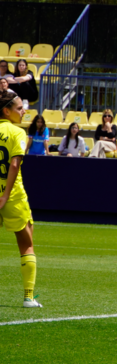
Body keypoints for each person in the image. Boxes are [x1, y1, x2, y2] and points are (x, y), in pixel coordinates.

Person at [0, 91, 42, 308]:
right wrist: (5, 195)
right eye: (19, 108)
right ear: (6, 111)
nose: (24, 111)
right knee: (26, 245)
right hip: (13, 196)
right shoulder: (17, 132)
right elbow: (14, 165)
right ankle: (28, 297)